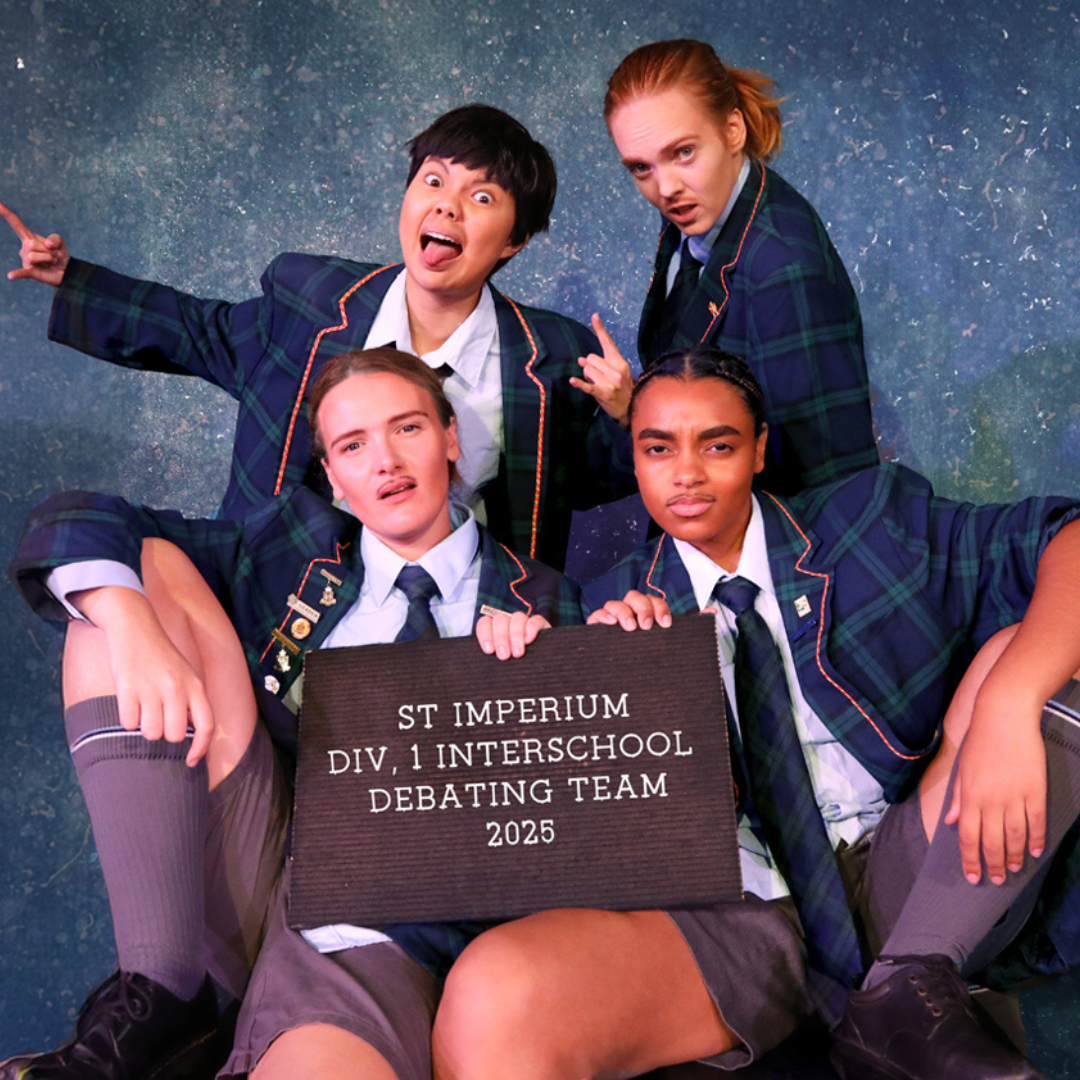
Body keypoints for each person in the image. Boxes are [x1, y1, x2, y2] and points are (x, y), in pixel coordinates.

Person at [6, 348, 580, 1080]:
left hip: (426, 919)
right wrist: (131, 624)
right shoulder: (287, 548)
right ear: (333, 477)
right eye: (353, 446)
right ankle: (160, 987)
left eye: (407, 428)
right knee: (126, 581)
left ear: (450, 439)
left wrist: (540, 681)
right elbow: (78, 518)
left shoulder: (552, 601)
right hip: (273, 877)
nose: (385, 461)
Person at [554, 346, 1079, 1080]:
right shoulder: (606, 604)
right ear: (635, 458)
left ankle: (911, 981)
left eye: (718, 446)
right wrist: (622, 678)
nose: (686, 474)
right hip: (756, 913)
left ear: (760, 449)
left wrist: (1009, 705)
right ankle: (894, 1010)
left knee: (1033, 653)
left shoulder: (868, 520)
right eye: (658, 449)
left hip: (915, 867)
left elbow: (1066, 535)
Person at [1, 103, 634, 571]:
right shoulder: (312, 302)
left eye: (483, 197)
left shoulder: (552, 355)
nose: (448, 206)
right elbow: (198, 331)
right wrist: (71, 279)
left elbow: (597, 481)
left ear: (515, 239)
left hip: (464, 624)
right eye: (434, 181)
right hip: (282, 597)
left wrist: (625, 415)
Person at [586, 38, 879, 495]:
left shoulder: (783, 268)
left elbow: (828, 481)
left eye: (683, 152)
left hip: (764, 533)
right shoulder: (701, 207)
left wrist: (632, 414)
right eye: (641, 168)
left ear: (733, 130)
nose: (666, 188)